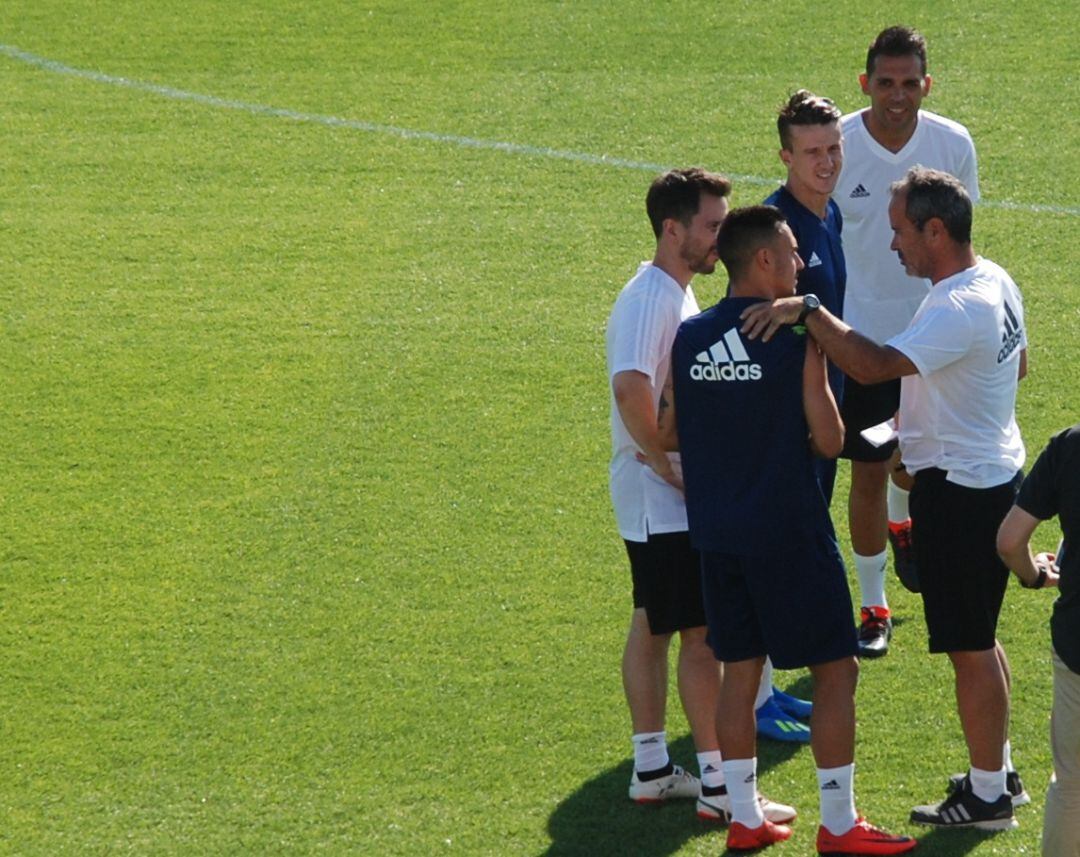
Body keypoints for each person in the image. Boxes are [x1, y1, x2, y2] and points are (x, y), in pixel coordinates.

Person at [741, 167, 1028, 831]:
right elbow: (1015, 366)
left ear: (936, 229)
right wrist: (928, 420)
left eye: (901, 230)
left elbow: (869, 366)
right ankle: (998, 771)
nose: (893, 244)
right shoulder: (993, 281)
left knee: (969, 647)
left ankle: (987, 799)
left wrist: (811, 310)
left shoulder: (958, 304)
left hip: (960, 492)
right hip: (986, 474)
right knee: (979, 638)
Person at [659, 205, 915, 854]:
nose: (802, 263)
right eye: (794, 252)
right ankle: (838, 823)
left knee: (739, 672)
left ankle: (743, 815)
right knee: (835, 672)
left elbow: (668, 429)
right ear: (765, 261)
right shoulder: (796, 341)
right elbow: (830, 440)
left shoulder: (690, 338)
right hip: (792, 535)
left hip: (718, 537)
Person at [605, 169, 794, 825]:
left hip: (659, 493)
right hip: (663, 497)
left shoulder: (673, 294)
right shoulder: (652, 298)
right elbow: (631, 388)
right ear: (672, 229)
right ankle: (718, 782)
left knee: (653, 621)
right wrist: (667, 467)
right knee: (702, 636)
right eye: (712, 225)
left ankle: (653, 766)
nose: (720, 238)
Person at [834, 25, 980, 658]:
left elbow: (968, 244)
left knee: (922, 465)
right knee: (866, 470)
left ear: (928, 84)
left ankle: (904, 519)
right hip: (860, 343)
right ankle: (874, 606)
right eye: (885, 83)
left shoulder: (952, 144)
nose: (898, 96)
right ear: (865, 83)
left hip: (934, 340)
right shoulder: (835, 146)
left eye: (910, 83)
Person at [749, 89, 846, 743]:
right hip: (788, 427)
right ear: (785, 155)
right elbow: (752, 327)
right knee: (772, 559)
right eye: (812, 151)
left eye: (834, 148)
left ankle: (765, 688)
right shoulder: (773, 232)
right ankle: (753, 699)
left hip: (821, 416)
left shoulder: (829, 213)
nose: (826, 162)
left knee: (793, 551)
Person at [996, 423, 1079, 856]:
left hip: (1077, 645)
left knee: (1072, 787)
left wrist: (1034, 576)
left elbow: (1011, 541)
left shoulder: (1071, 446)